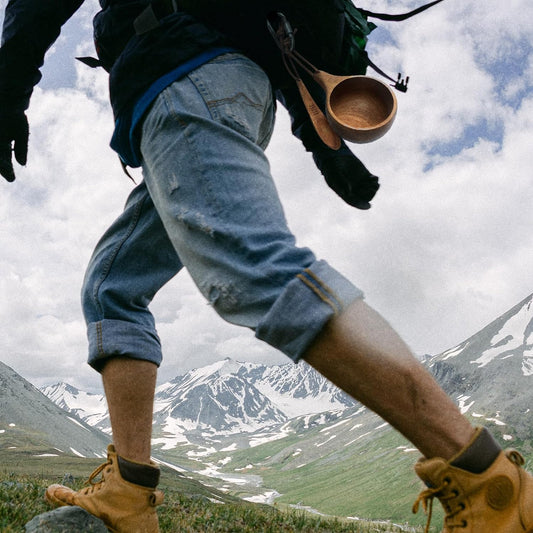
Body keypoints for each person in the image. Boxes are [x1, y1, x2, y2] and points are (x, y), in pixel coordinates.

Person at [1, 1, 532, 532]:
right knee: (112, 288)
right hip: (217, 90)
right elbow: (259, 27)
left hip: (184, 80)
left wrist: (7, 89)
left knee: (255, 269)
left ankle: (488, 482)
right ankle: (128, 493)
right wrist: (325, 148)